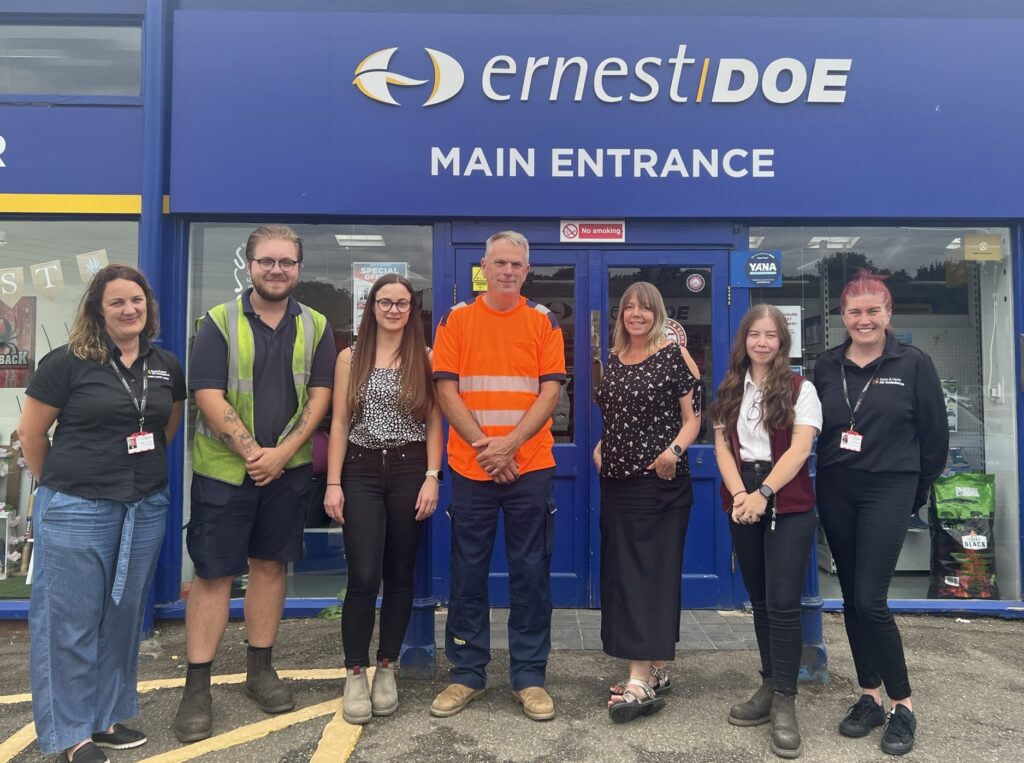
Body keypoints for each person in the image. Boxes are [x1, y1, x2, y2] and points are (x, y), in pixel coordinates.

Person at [173, 224, 336, 743]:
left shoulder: (317, 325)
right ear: (250, 264)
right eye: (267, 261)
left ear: (298, 269)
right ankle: (197, 685)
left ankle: (260, 669)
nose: (277, 270)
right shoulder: (217, 322)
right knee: (214, 574)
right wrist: (250, 453)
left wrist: (282, 454)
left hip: (285, 474)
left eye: (286, 262)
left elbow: (320, 396)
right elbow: (207, 393)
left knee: (269, 567)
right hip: (224, 473)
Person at [18, 265, 185, 763]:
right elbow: (31, 435)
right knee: (67, 623)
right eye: (117, 303)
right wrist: (61, 486)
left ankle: (106, 716)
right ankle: (71, 735)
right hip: (76, 507)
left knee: (121, 618)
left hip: (145, 506)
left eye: (137, 300)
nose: (129, 309)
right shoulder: (66, 363)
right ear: (98, 309)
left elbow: (165, 429)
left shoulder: (165, 365)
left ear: (148, 306)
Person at [429, 231, 566, 721]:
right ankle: (467, 674)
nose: (508, 271)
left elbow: (550, 393)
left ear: (527, 271)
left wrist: (510, 445)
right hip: (472, 468)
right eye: (500, 262)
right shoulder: (458, 319)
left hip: (529, 467)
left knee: (531, 573)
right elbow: (446, 390)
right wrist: (490, 448)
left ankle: (529, 677)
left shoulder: (543, 321)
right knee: (468, 573)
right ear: (484, 267)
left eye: (517, 264)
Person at [814, 271, 947, 756]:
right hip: (837, 488)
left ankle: (902, 704)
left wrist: (913, 494)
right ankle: (868, 694)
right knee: (851, 597)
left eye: (873, 311)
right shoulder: (827, 366)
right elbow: (816, 429)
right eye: (855, 312)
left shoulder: (913, 364)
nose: (864, 319)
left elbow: (935, 441)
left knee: (871, 599)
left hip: (890, 488)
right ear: (843, 317)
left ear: (888, 314)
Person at [323, 274, 443, 723]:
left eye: (403, 303)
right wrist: (333, 483)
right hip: (362, 468)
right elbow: (337, 423)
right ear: (371, 307)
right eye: (386, 302)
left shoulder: (424, 357)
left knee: (399, 572)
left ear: (412, 310)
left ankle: (386, 666)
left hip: (411, 468)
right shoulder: (349, 358)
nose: (394, 309)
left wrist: (432, 476)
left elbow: (434, 422)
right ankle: (356, 671)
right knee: (364, 573)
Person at [710, 305, 821, 759]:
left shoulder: (801, 388)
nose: (761, 342)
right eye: (754, 334)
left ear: (782, 342)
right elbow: (721, 445)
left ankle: (786, 704)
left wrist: (764, 493)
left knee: (783, 604)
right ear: (744, 340)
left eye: (770, 335)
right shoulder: (731, 388)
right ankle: (769, 686)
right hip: (743, 497)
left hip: (788, 502)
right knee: (759, 601)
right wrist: (740, 495)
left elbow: (801, 448)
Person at [594, 281, 701, 724]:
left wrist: (672, 453)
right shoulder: (614, 361)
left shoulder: (674, 355)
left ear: (658, 313)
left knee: (649, 576)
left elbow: (695, 417)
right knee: (624, 575)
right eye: (628, 307)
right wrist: (600, 445)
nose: (635, 313)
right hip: (617, 483)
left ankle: (638, 676)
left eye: (644, 307)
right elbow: (617, 417)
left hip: (660, 485)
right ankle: (656, 668)